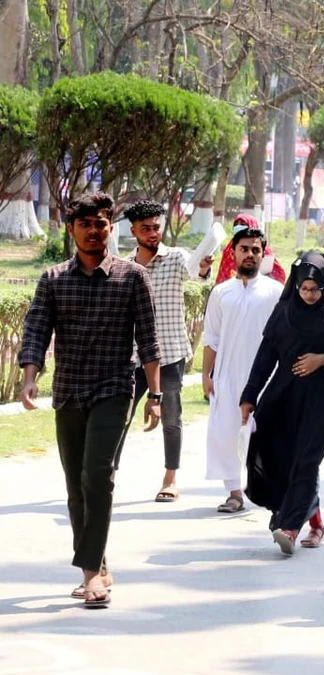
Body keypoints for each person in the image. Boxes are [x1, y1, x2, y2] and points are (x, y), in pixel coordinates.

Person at [19, 192, 163, 608]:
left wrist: (155, 395)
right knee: (75, 485)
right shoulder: (53, 279)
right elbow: (36, 330)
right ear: (71, 229)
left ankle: (90, 576)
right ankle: (97, 561)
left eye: (100, 224)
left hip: (114, 389)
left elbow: (148, 340)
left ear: (110, 228)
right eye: (85, 224)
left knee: (97, 475)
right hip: (68, 391)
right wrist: (30, 378)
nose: (93, 231)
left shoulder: (133, 277)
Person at [239, 251, 324, 554]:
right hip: (282, 395)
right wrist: (249, 396)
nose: (309, 295)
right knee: (282, 458)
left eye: (315, 289)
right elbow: (266, 356)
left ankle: (290, 526)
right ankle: (316, 523)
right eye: (304, 289)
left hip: (322, 398)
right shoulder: (284, 312)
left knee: (307, 460)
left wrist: (323, 360)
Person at [122, 199, 212, 503]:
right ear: (133, 231)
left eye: (156, 227)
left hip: (170, 353)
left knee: (171, 418)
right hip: (134, 356)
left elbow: (196, 272)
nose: (152, 233)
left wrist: (203, 268)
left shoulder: (176, 258)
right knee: (120, 416)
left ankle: (170, 478)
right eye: (145, 228)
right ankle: (107, 474)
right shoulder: (125, 266)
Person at [202, 226, 285, 514]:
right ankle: (234, 493)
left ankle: (268, 491)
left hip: (266, 378)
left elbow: (285, 336)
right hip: (227, 376)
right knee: (226, 434)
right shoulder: (221, 292)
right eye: (244, 249)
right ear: (234, 253)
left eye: (255, 250)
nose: (250, 254)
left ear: (263, 255)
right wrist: (206, 375)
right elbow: (211, 337)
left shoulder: (276, 292)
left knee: (266, 436)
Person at [214, 214, 287, 284]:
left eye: (242, 224)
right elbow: (222, 277)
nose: (238, 226)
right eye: (236, 224)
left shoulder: (264, 250)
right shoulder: (228, 250)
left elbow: (279, 274)